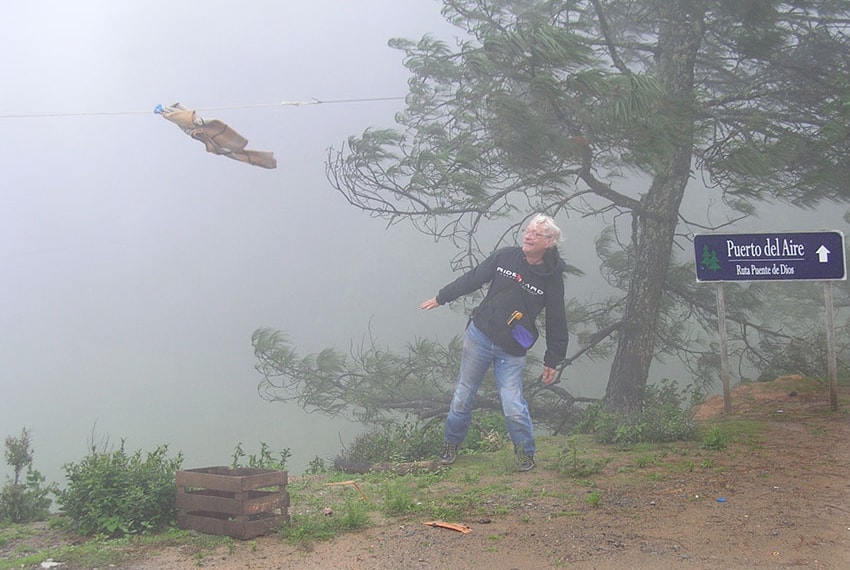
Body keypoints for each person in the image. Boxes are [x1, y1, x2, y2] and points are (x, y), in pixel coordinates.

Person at [420, 214, 569, 472]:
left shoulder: (552, 277)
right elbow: (474, 278)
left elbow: (557, 317)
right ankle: (450, 445)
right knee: (463, 395)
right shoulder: (506, 257)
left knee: (512, 404)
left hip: (512, 349)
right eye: (527, 230)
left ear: (549, 242)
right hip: (479, 336)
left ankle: (525, 453)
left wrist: (552, 359)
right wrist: (442, 297)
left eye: (536, 233)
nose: (528, 235)